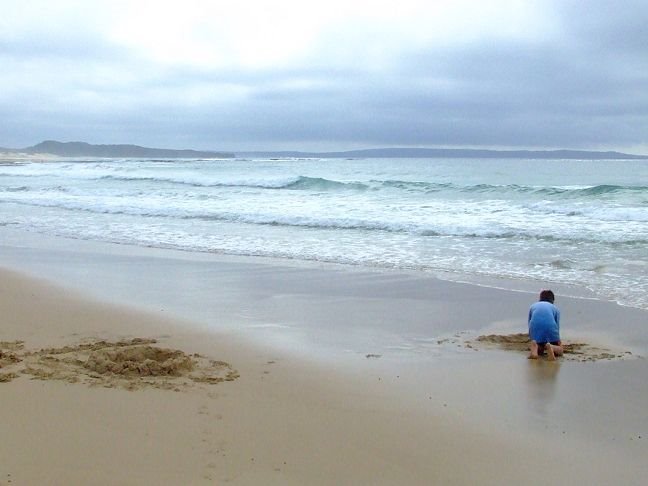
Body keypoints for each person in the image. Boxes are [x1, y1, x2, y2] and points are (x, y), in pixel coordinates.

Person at [528, 290, 563, 360]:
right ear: (552, 300)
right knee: (560, 351)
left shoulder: (533, 306)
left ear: (540, 299)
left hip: (535, 330)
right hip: (550, 329)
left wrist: (531, 337)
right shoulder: (555, 308)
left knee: (540, 348)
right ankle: (552, 347)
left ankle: (535, 349)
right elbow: (556, 325)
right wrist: (558, 340)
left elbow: (530, 323)